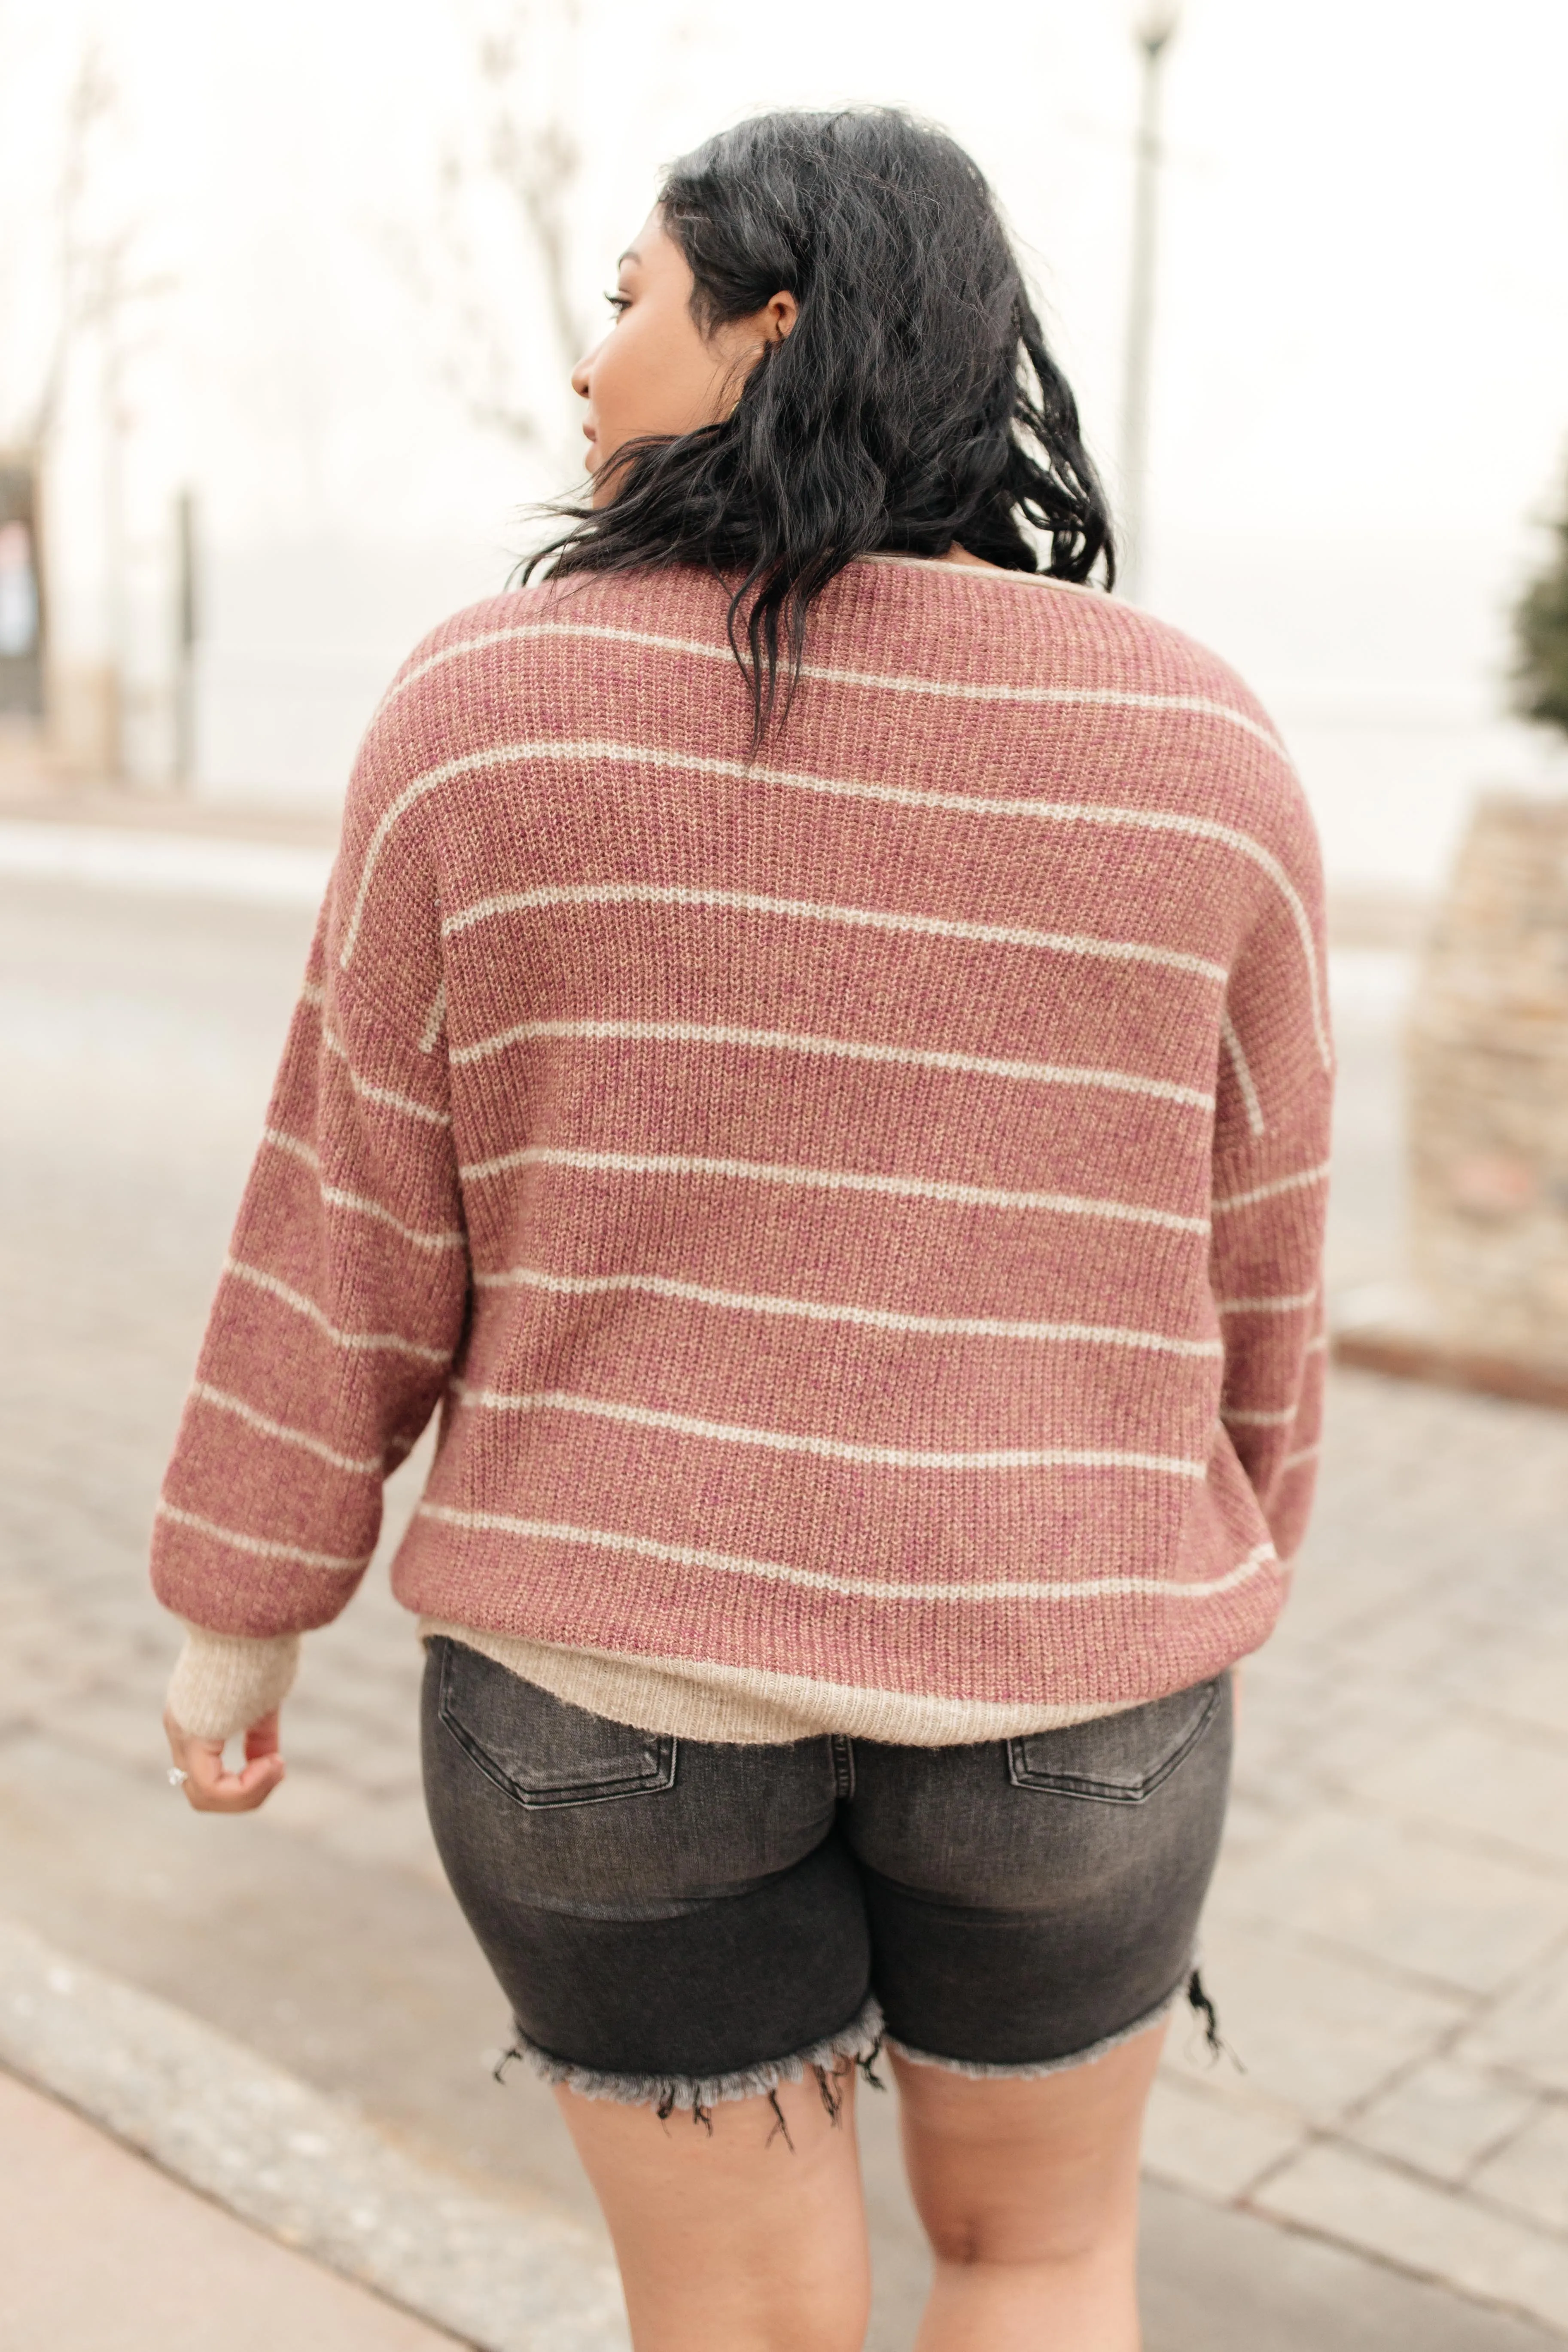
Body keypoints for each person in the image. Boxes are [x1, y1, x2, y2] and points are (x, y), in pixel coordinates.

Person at [155, 108, 1329, 2352]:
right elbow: (1258, 1248)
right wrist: (1215, 1556)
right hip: (1078, 1669)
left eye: (625, 299)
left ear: (762, 326)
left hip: (604, 1691)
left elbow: (347, 1211)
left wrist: (238, 1612)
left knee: (744, 2328)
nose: (588, 360)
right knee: (1048, 2259)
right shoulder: (1207, 749)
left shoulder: (481, 714)